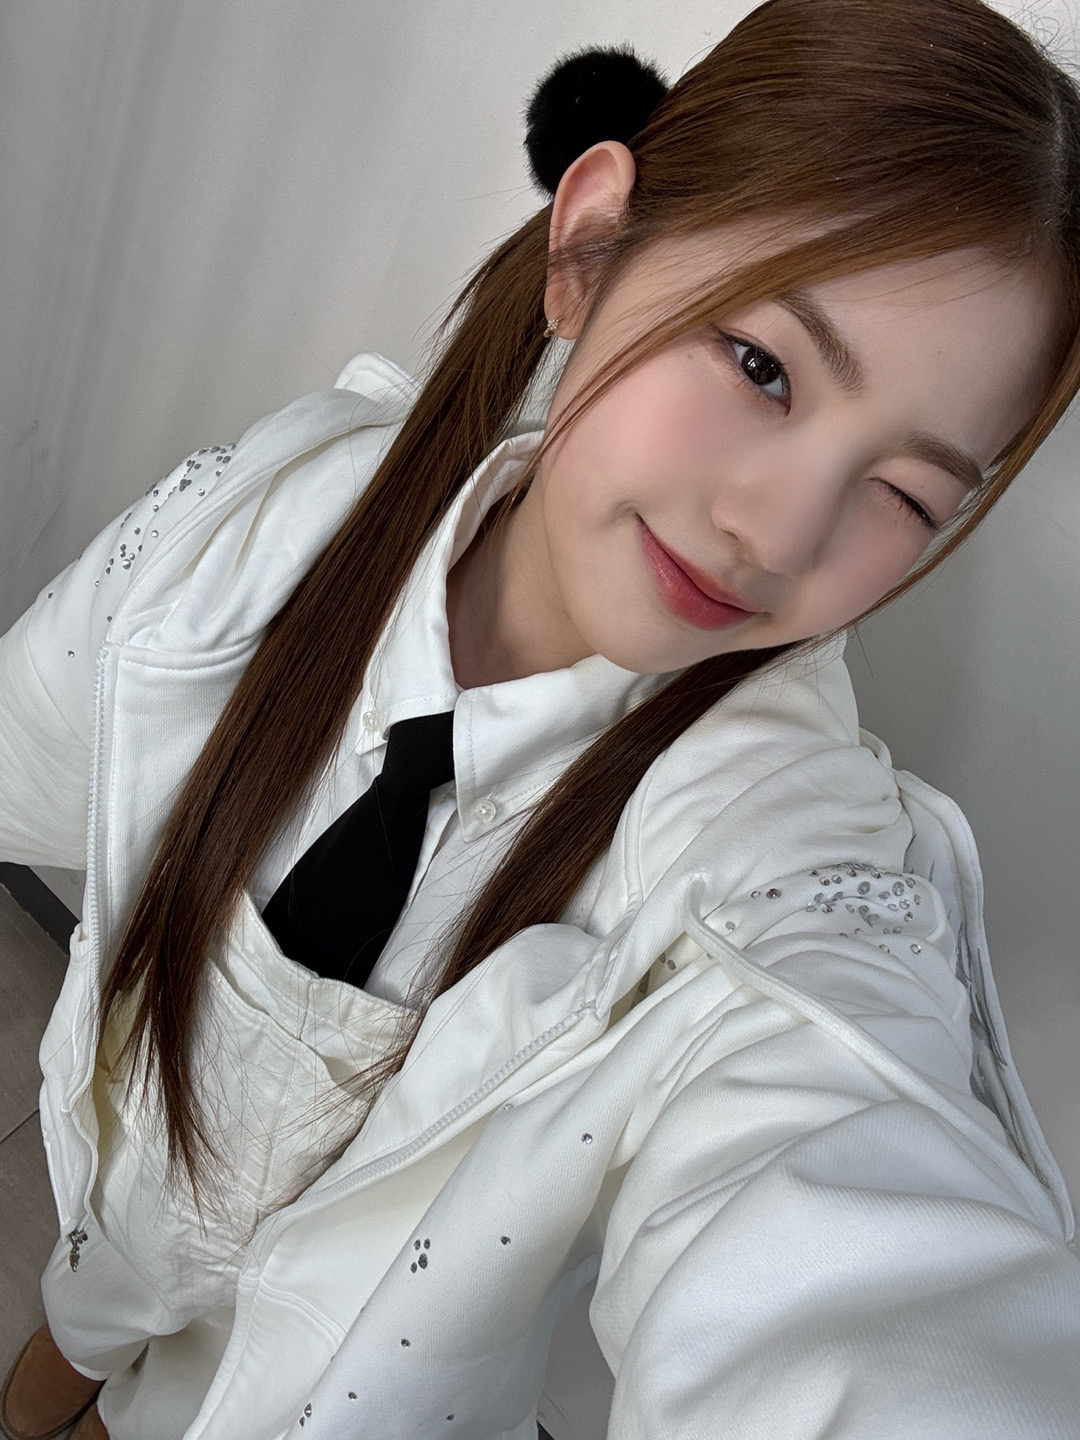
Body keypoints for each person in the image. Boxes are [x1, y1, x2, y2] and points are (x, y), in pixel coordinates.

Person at [3, 1, 1080, 1436]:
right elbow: (28, 733)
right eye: (762, 365)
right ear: (590, 247)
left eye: (904, 494)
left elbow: (856, 1245)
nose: (776, 531)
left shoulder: (778, 859)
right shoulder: (274, 519)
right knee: (84, 1313)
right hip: (117, 1196)